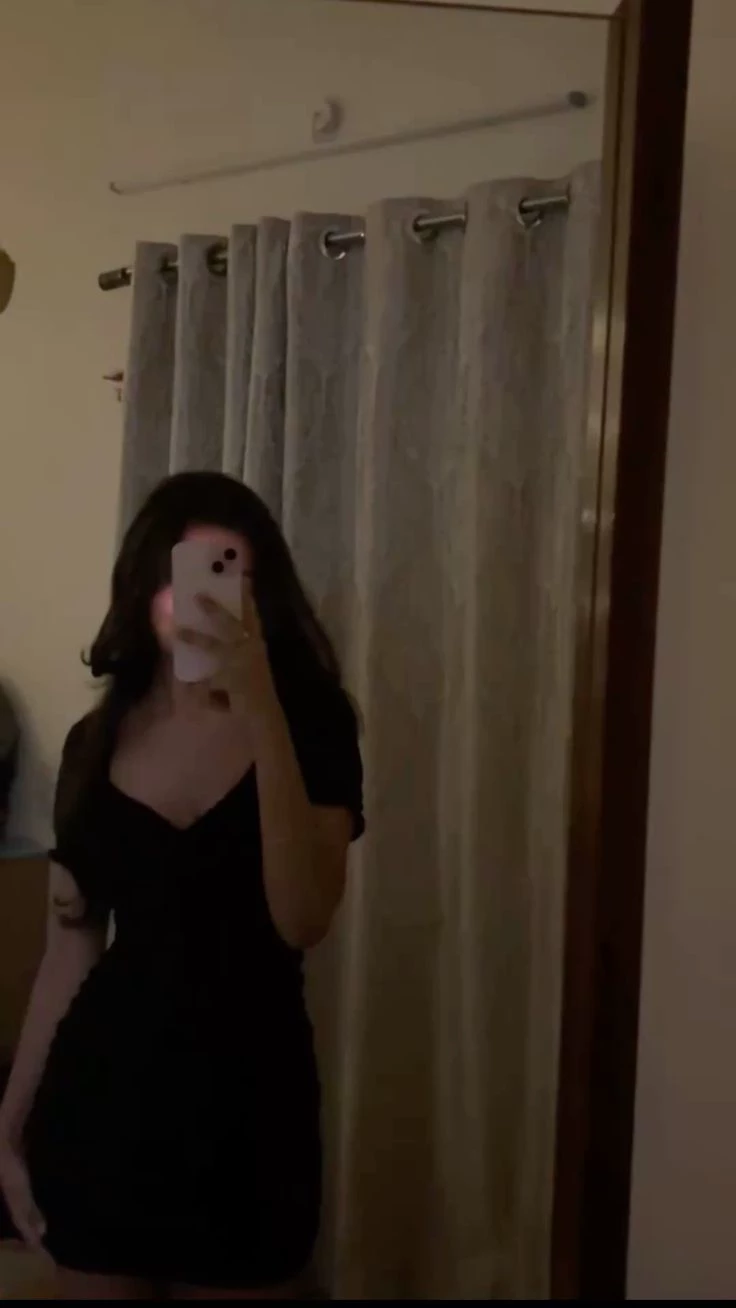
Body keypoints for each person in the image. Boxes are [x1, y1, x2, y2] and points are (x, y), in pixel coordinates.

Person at [0, 471, 364, 1300]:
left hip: (252, 1113)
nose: (205, 600)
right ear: (144, 590)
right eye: (185, 575)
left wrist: (261, 705)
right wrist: (8, 1127)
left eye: (231, 574)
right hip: (101, 1103)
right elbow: (69, 952)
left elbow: (303, 916)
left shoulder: (312, 725)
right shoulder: (95, 742)